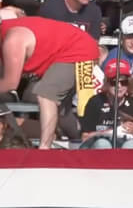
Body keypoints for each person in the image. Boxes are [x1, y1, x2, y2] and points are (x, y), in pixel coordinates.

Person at [0, 16, 99, 149]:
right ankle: (79, 139)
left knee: (46, 94)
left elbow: (11, 83)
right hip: (67, 48)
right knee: (61, 108)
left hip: (78, 49)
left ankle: (44, 150)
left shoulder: (12, 40)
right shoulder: (8, 30)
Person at [79, 59, 133, 149]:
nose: (119, 86)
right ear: (106, 82)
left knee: (131, 145)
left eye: (124, 82)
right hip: (98, 147)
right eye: (114, 82)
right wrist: (112, 132)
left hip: (126, 144)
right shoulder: (96, 102)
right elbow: (85, 137)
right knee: (102, 144)